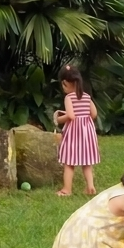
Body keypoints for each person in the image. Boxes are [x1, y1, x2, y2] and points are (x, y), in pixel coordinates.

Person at [54, 64, 99, 197]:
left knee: (69, 162)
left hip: (74, 133)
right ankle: (90, 187)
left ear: (66, 83)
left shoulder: (69, 98)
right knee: (86, 163)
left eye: (63, 85)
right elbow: (94, 114)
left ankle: (67, 189)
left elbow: (71, 116)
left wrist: (59, 119)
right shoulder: (86, 96)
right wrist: (85, 120)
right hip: (87, 132)